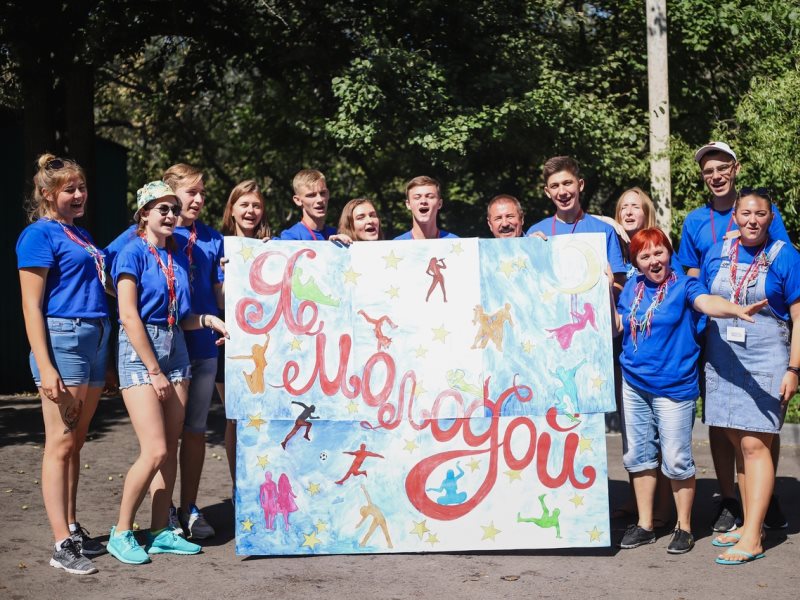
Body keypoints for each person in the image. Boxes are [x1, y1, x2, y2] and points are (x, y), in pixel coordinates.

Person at [613, 228, 766, 555]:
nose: (654, 260)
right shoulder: (632, 289)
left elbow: (705, 301)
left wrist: (734, 309)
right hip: (634, 383)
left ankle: (683, 526)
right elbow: (618, 324)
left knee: (677, 458)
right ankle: (645, 524)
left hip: (674, 387)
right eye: (645, 256)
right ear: (636, 262)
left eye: (659, 252)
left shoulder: (684, 285)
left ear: (670, 253)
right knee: (638, 457)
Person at [107, 181, 227, 565]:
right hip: (142, 353)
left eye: (174, 209)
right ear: (144, 214)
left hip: (176, 347)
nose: (172, 215)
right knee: (155, 449)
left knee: (170, 449)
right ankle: (121, 531)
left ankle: (160, 531)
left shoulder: (176, 257)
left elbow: (183, 316)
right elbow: (128, 315)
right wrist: (155, 371)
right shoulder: (131, 253)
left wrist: (209, 319)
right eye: (163, 209)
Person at [678, 142, 792, 532]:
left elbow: (783, 265)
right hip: (715, 331)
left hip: (761, 333)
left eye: (721, 168)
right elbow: (692, 277)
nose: (715, 176)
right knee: (720, 419)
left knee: (760, 423)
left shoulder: (760, 212)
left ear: (735, 169)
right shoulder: (695, 221)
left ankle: (762, 497)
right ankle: (731, 498)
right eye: (708, 171)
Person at [16, 154, 110, 575]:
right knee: (60, 443)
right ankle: (60, 544)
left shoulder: (82, 234)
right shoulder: (38, 235)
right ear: (47, 194)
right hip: (63, 340)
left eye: (82, 187)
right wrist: (46, 364)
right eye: (69, 189)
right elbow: (31, 306)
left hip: (94, 339)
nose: (78, 195)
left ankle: (72, 527)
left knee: (76, 443)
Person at [700, 188, 800, 565]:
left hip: (766, 362)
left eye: (760, 214)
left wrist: (794, 368)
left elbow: (799, 318)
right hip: (723, 361)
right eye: (745, 214)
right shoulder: (717, 254)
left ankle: (755, 536)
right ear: (735, 217)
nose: (752, 220)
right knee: (738, 443)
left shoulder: (786, 257)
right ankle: (747, 523)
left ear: (771, 218)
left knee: (756, 446)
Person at [161, 164, 225, 540]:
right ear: (170, 194)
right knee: (166, 437)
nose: (199, 199)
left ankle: (190, 507)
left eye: (202, 192)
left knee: (196, 431)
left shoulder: (213, 239)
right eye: (191, 193)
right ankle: (163, 509)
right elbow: (113, 270)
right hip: (168, 348)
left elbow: (220, 294)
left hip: (204, 346)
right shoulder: (157, 231)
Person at [609, 187, 674, 528]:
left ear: (647, 213)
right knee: (634, 436)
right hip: (625, 355)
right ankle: (638, 504)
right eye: (624, 207)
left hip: (658, 358)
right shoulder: (614, 251)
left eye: (636, 206)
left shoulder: (659, 250)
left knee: (661, 438)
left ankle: (663, 509)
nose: (629, 211)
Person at [217, 180, 272, 500]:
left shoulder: (272, 246)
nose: (250, 211)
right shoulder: (219, 247)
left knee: (262, 418)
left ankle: (262, 484)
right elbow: (221, 302)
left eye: (256, 205)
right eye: (244, 205)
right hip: (232, 345)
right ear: (232, 209)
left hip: (265, 347)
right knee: (236, 417)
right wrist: (226, 273)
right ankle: (240, 488)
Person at [526, 156, 627, 292]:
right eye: (555, 186)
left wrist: (606, 290)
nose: (562, 192)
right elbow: (525, 284)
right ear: (547, 192)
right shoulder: (535, 232)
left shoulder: (604, 231)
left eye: (567, 183)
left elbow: (620, 285)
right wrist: (530, 252)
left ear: (580, 185)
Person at [278, 169, 337, 240]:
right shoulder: (291, 236)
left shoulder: (337, 234)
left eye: (322, 193)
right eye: (311, 195)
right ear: (298, 200)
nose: (320, 200)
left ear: (328, 194)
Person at [394, 176, 458, 240]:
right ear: (408, 204)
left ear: (439, 204)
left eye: (430, 196)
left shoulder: (455, 242)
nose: (423, 201)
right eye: (417, 197)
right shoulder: (396, 246)